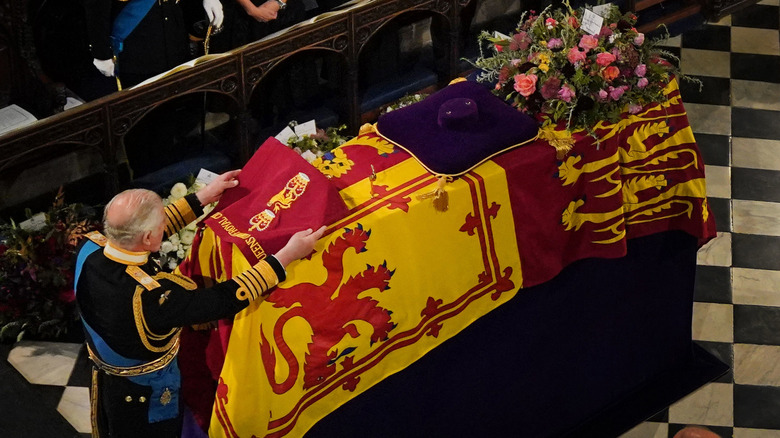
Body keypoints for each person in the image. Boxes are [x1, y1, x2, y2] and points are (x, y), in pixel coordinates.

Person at [74, 169, 326, 437]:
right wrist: (284, 257)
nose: (163, 227)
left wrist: (203, 197)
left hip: (104, 376)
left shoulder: (91, 247)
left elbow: (139, 234)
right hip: (144, 395)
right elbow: (223, 299)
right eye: (159, 227)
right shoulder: (152, 298)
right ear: (148, 238)